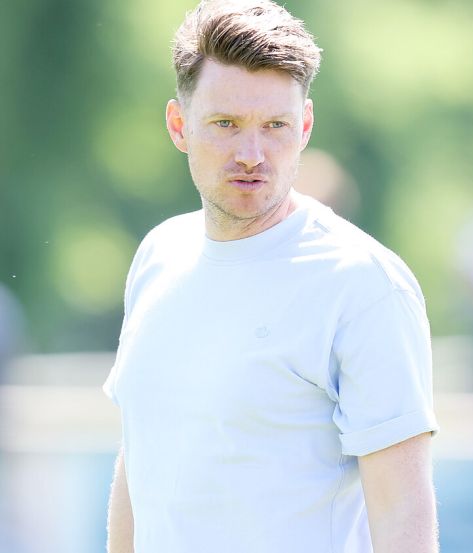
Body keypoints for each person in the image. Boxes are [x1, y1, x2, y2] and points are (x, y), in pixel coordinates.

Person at [102, 2, 439, 552]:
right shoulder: (158, 255)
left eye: (275, 125)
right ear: (179, 125)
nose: (251, 154)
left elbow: (404, 520)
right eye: (226, 124)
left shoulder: (363, 285)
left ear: (304, 127)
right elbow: (139, 461)